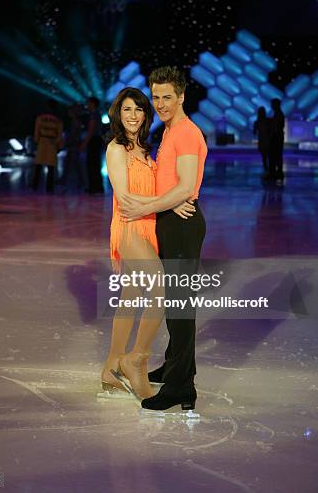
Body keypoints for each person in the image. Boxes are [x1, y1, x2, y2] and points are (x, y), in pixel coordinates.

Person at [120, 66, 208, 412]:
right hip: (172, 220)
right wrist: (156, 205)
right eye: (155, 97)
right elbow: (177, 186)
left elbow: (186, 186)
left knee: (180, 307)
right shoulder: (171, 130)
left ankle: (181, 388)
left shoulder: (185, 132)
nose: (159, 104)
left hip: (182, 225)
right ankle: (174, 368)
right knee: (175, 302)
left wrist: (146, 205)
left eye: (166, 97)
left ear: (182, 96)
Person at [102, 87, 193, 400]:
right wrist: (169, 202)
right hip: (128, 227)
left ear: (145, 115)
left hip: (148, 226)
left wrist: (170, 200)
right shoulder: (117, 149)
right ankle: (136, 360)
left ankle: (111, 367)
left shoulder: (143, 148)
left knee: (130, 296)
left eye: (138, 110)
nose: (132, 116)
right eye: (126, 110)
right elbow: (125, 198)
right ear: (118, 113)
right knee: (160, 286)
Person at [32, 99, 63, 194]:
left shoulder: (40, 117)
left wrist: (36, 141)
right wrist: (58, 145)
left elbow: (37, 131)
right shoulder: (58, 120)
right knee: (51, 167)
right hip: (52, 143)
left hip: (42, 141)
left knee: (38, 165)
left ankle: (35, 185)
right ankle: (49, 188)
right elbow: (59, 134)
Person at [80, 96, 104, 194]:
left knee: (92, 164)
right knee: (95, 164)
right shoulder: (97, 114)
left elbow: (91, 131)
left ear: (92, 104)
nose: (87, 105)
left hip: (94, 141)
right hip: (97, 140)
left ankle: (93, 187)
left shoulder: (94, 115)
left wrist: (84, 143)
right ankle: (97, 187)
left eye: (88, 103)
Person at [268, 98, 285, 182]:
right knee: (277, 156)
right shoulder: (277, 113)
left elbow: (277, 127)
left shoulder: (279, 114)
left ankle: (277, 173)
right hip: (277, 137)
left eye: (272, 104)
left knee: (276, 155)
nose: (271, 106)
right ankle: (277, 172)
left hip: (277, 138)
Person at [253, 106, 270, 176]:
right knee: (269, 154)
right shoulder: (268, 121)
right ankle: (269, 168)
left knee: (264, 155)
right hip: (268, 140)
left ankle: (266, 167)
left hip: (262, 140)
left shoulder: (256, 122)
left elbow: (254, 132)